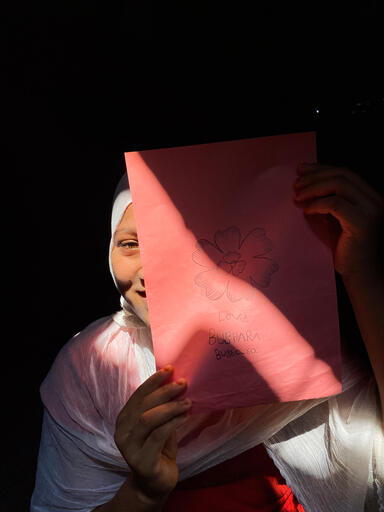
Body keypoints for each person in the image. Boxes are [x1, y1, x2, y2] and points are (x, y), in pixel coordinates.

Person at [30, 162, 384, 512]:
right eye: (130, 243)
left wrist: (362, 273)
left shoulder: (305, 341)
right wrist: (142, 492)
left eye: (178, 242)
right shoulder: (92, 364)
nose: (151, 270)